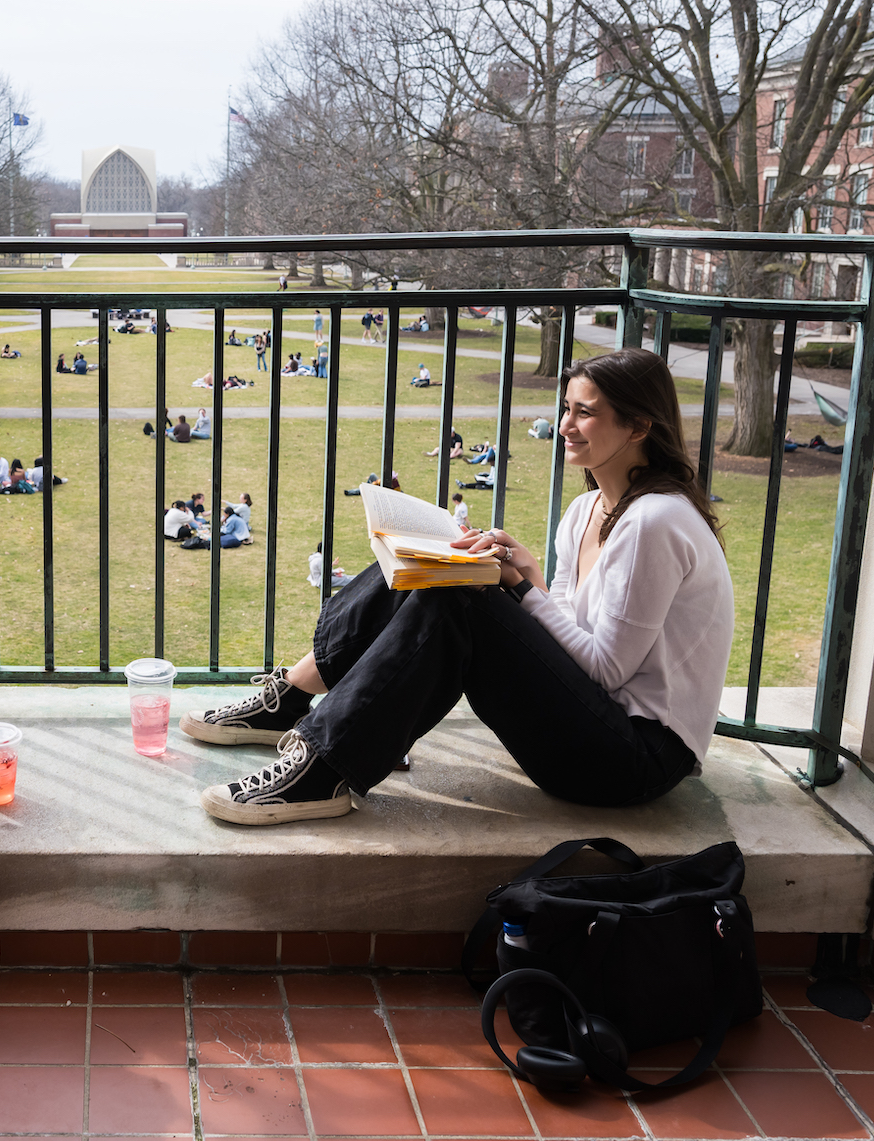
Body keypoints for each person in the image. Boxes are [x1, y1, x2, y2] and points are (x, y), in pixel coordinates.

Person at [182, 347, 734, 830]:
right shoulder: (587, 508)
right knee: (442, 565)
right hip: (589, 721)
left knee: (461, 596)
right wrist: (529, 576)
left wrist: (517, 588)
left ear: (639, 428)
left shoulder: (655, 522)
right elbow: (574, 627)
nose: (566, 425)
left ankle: (323, 771)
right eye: (566, 408)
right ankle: (295, 696)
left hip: (631, 760)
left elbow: (608, 669)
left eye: (585, 414)